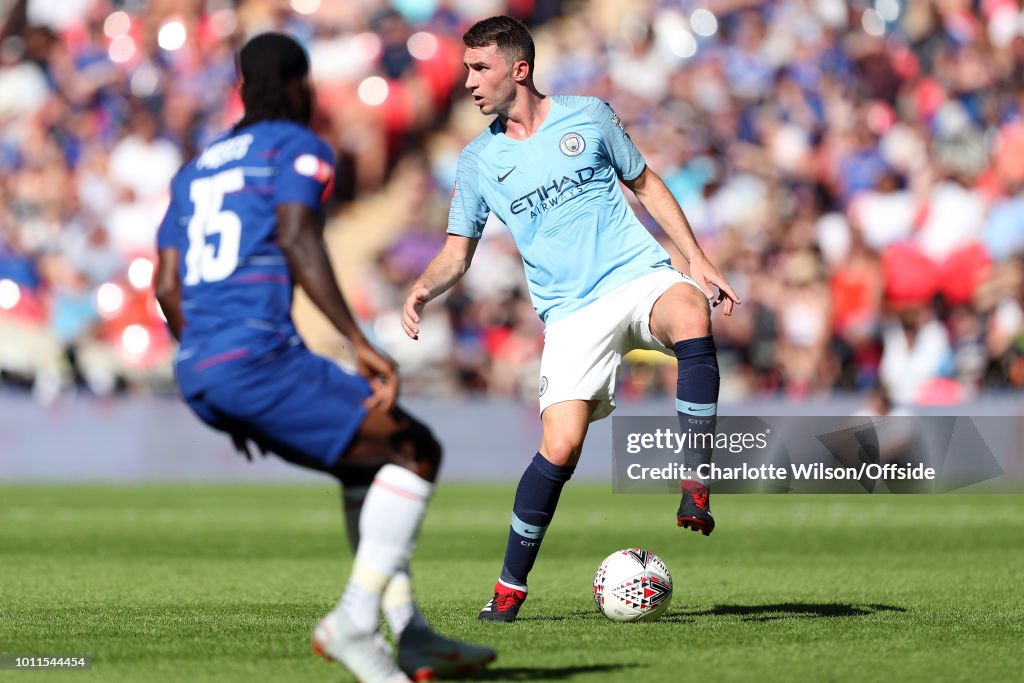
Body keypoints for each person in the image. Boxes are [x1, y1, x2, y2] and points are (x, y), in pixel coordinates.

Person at [154, 33, 495, 682]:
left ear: (241, 89)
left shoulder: (193, 170)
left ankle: (412, 635)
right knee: (415, 449)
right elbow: (296, 235)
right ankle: (355, 621)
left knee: (365, 467)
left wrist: (212, 376)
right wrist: (360, 341)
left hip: (201, 365)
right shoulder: (295, 146)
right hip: (255, 358)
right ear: (298, 85)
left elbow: (166, 287)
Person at [401, 16, 740, 622]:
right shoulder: (480, 160)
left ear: (519, 69)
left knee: (691, 311)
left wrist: (696, 259)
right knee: (560, 447)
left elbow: (645, 182)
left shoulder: (590, 116)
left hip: (636, 276)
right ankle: (508, 589)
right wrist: (423, 289)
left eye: (480, 69)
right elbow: (458, 251)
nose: (471, 83)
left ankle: (695, 485)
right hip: (571, 315)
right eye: (466, 71)